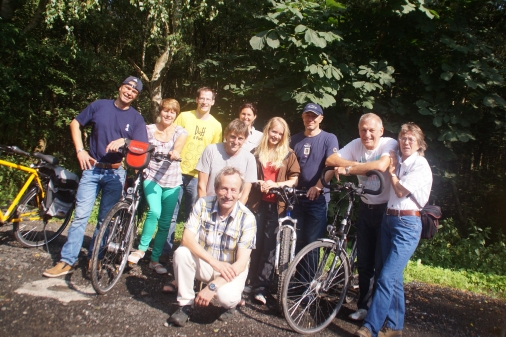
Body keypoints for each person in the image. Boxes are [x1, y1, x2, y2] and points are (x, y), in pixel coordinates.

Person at [43, 76, 148, 277]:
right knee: (81, 216)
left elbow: (141, 146)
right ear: (120, 87)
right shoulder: (100, 106)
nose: (129, 92)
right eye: (127, 88)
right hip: (92, 168)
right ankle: (67, 261)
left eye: (134, 92)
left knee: (104, 219)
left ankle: (96, 258)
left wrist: (125, 141)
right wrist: (80, 150)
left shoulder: (136, 118)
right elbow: (75, 123)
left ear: (136, 96)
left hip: (116, 172)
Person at [355, 123, 433, 337]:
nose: (406, 142)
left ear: (419, 144)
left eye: (411, 139)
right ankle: (395, 326)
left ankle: (370, 327)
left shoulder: (420, 165)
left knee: (386, 277)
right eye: (403, 138)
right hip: (388, 221)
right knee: (392, 276)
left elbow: (399, 191)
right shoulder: (397, 159)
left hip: (407, 225)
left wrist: (391, 172)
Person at [325, 113, 398, 321]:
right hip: (366, 208)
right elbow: (330, 159)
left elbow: (380, 166)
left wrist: (348, 168)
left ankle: (380, 310)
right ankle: (364, 307)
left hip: (386, 210)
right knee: (364, 262)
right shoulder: (357, 144)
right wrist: (353, 163)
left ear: (381, 131)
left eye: (371, 130)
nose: (367, 134)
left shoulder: (388, 143)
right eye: (363, 130)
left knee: (381, 264)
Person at [167, 167, 257, 327]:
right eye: (224, 188)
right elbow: (186, 239)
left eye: (233, 190)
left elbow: (241, 263)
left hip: (232, 270)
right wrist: (214, 262)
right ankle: (185, 305)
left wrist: (212, 287)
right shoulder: (203, 204)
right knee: (181, 253)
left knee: (225, 297)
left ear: (240, 192)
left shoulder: (247, 218)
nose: (228, 195)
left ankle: (232, 304)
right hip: (208, 263)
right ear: (215, 189)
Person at [126, 99, 188, 274]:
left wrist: (175, 152)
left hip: (173, 181)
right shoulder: (148, 130)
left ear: (176, 115)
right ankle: (141, 249)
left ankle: (155, 260)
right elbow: (138, 145)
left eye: (172, 112)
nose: (168, 114)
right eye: (165, 111)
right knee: (154, 211)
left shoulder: (180, 131)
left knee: (165, 222)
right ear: (160, 112)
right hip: (151, 176)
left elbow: (179, 145)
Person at [161, 87, 222, 259]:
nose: (204, 102)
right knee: (170, 214)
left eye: (208, 99)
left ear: (213, 102)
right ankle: (165, 250)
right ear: (196, 99)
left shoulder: (216, 125)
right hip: (176, 171)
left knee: (193, 217)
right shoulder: (184, 117)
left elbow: (214, 154)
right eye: (201, 98)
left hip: (198, 177)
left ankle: (185, 253)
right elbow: (171, 138)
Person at [246, 117, 300, 305]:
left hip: (277, 205)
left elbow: (294, 179)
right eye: (273, 131)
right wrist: (258, 182)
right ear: (267, 131)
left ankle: (261, 287)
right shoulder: (256, 152)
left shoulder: (288, 154)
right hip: (256, 203)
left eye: (279, 133)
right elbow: (248, 175)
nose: (275, 136)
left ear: (284, 136)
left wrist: (276, 185)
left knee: (270, 246)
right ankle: (249, 280)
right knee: (254, 242)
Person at [290, 103, 339, 256]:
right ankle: (293, 279)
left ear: (321, 118)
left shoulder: (329, 139)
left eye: (314, 116)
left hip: (317, 198)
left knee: (312, 243)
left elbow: (332, 164)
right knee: (295, 241)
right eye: (307, 115)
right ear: (303, 117)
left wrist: (318, 186)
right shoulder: (294, 140)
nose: (310, 119)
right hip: (296, 197)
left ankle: (308, 280)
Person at [196, 119, 257, 205]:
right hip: (208, 203)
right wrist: (204, 208)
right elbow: (201, 185)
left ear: (245, 139)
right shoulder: (211, 150)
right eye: (232, 137)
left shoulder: (249, 159)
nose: (235, 142)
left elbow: (245, 194)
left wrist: (235, 213)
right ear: (226, 135)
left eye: (240, 138)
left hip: (232, 207)